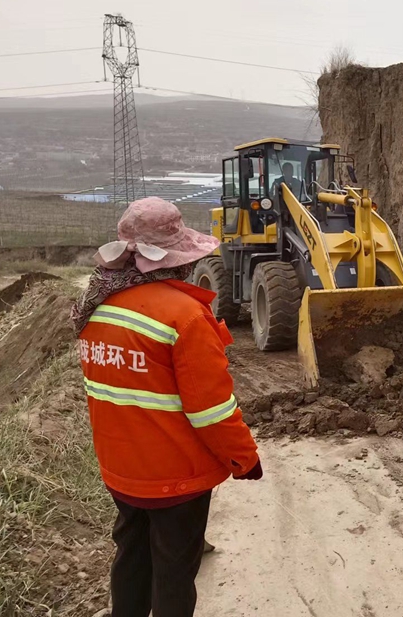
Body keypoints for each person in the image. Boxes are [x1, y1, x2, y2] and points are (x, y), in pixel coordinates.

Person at [71, 197, 262, 617]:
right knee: (174, 572)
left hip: (121, 470)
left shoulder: (97, 310)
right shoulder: (185, 316)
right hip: (177, 477)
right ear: (177, 260)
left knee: (132, 556)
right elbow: (211, 411)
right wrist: (243, 458)